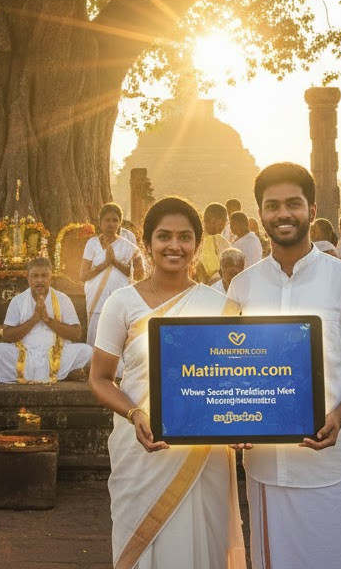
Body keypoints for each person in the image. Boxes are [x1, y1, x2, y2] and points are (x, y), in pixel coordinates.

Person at [227, 163, 341, 569]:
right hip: (266, 463)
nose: (283, 214)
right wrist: (228, 419)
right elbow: (230, 365)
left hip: (331, 462)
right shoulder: (243, 286)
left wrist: (340, 413)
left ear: (311, 208)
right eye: (272, 206)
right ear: (260, 214)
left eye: (293, 204)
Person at [90, 197, 246, 569]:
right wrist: (134, 412)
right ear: (147, 243)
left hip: (204, 452)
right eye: (164, 236)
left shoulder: (220, 305)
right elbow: (99, 378)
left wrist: (242, 421)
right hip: (142, 445)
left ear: (196, 244)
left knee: (203, 545)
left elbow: (234, 379)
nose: (174, 246)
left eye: (184, 237)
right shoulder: (121, 302)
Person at [0, 257, 92, 384]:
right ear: (28, 278)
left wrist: (47, 319)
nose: (40, 280)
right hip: (25, 352)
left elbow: (76, 333)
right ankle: (64, 373)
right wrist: (34, 319)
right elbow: (7, 336)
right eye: (35, 276)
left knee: (86, 350)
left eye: (44, 275)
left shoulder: (63, 299)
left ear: (51, 277)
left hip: (57, 352)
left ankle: (52, 372)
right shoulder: (18, 300)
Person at [81, 203, 143, 346]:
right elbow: (83, 275)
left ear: (120, 223)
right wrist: (104, 264)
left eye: (115, 220)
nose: (111, 224)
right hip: (96, 301)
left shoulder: (128, 246)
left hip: (119, 302)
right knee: (96, 340)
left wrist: (115, 262)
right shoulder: (92, 244)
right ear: (100, 222)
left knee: (116, 340)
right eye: (107, 220)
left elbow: (139, 276)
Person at [195, 203, 230, 286]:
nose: (223, 227)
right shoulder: (195, 239)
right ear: (212, 221)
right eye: (221, 224)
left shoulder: (221, 241)